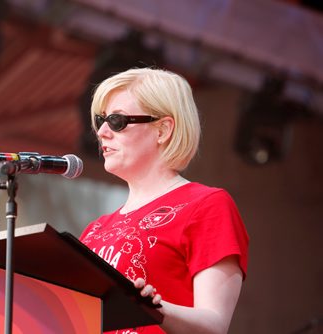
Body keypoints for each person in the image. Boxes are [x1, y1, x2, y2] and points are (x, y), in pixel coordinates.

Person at [79, 67, 249, 334]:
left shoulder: (206, 205)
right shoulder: (94, 230)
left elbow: (214, 326)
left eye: (117, 121)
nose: (102, 132)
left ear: (163, 130)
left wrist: (155, 309)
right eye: (101, 120)